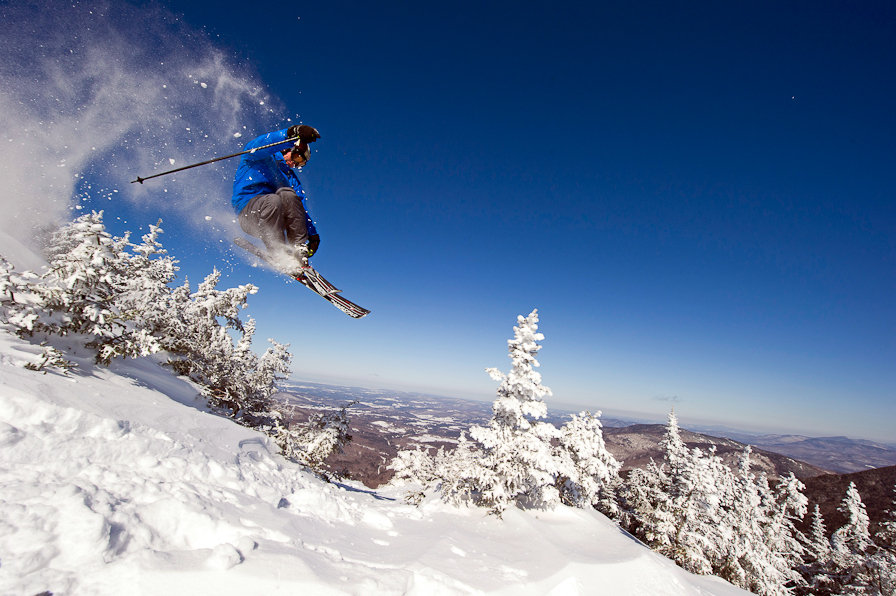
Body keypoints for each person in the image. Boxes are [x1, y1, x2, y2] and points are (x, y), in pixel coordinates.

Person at [231, 124, 322, 273]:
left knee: (288, 194)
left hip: (273, 217)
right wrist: (290, 135)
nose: (294, 164)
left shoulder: (286, 178)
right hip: (249, 214)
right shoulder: (260, 157)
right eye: (297, 157)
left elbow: (298, 207)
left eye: (300, 163)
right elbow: (258, 145)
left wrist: (312, 234)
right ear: (287, 150)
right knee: (274, 200)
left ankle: (297, 250)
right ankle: (278, 250)